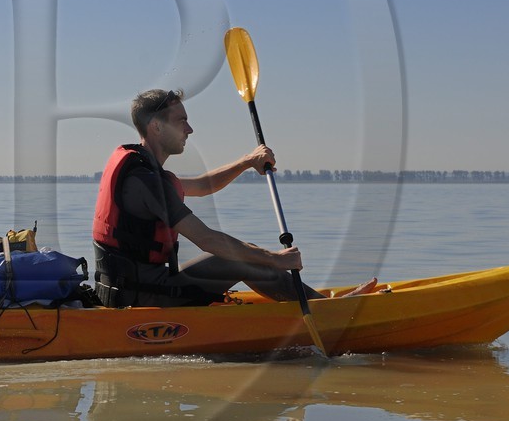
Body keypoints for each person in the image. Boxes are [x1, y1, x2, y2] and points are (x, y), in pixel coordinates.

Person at [91, 89, 380, 308]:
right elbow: (207, 240)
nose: (189, 130)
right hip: (138, 297)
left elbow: (203, 185)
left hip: (135, 287)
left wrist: (246, 162)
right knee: (241, 259)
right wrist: (274, 259)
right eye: (182, 121)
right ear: (156, 126)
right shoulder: (146, 181)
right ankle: (329, 311)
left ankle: (316, 301)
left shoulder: (148, 174)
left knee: (246, 250)